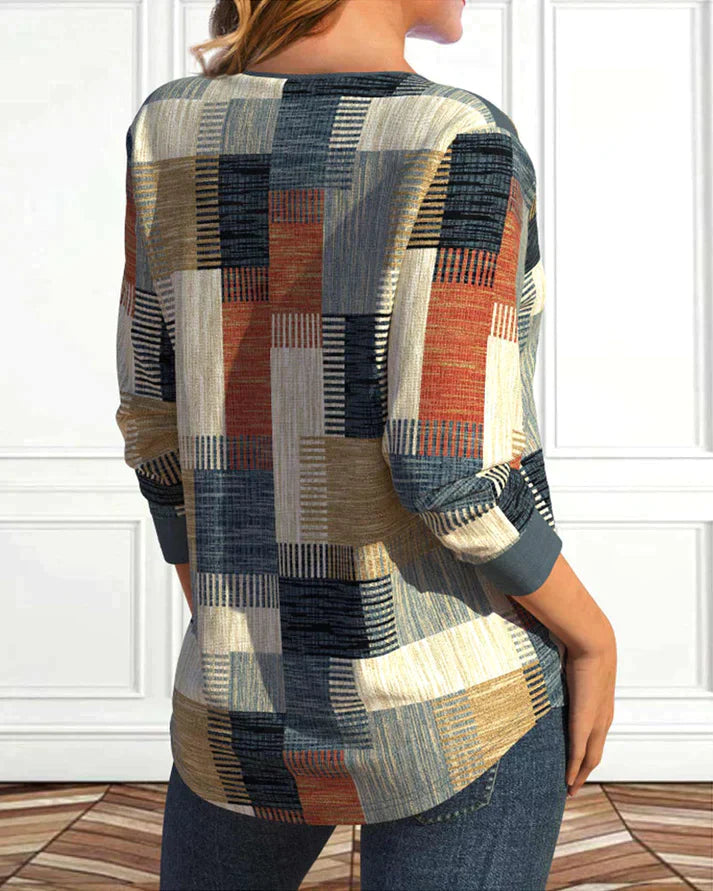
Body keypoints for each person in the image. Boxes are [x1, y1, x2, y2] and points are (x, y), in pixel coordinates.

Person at [113, 0, 617, 888]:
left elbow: (153, 421)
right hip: (455, 694)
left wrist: (233, 621)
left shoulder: (169, 125)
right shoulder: (457, 138)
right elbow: (449, 468)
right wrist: (592, 638)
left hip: (237, 701)